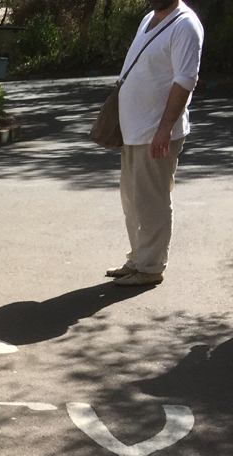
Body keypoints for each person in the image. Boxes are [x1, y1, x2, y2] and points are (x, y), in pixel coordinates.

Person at [107, 0, 203, 286]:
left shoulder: (185, 25)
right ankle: (138, 259)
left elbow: (185, 80)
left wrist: (165, 128)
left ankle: (150, 268)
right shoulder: (149, 18)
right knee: (132, 201)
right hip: (134, 131)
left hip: (156, 132)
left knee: (151, 202)